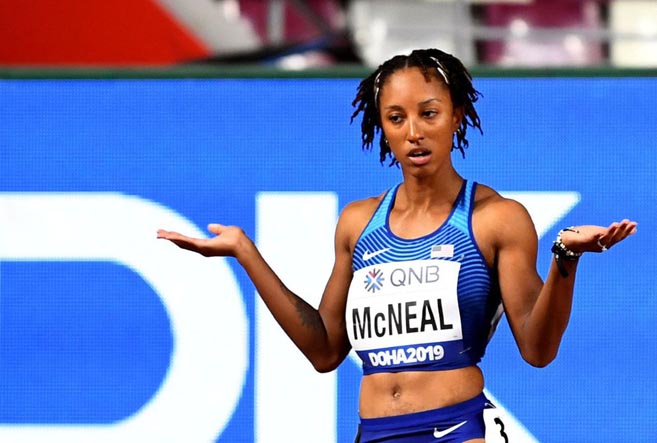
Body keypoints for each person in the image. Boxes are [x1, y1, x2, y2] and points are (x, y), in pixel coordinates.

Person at [157, 48, 637, 442]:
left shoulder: (496, 219)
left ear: (456, 116)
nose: (413, 132)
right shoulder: (358, 224)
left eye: (429, 113)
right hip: (375, 433)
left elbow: (538, 348)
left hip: (457, 429)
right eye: (396, 118)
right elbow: (324, 351)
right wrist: (246, 253)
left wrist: (566, 257)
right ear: (382, 128)